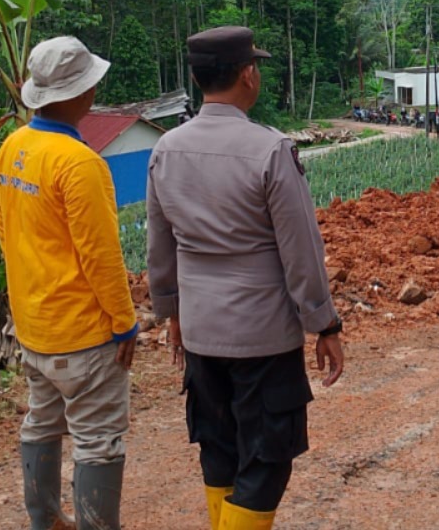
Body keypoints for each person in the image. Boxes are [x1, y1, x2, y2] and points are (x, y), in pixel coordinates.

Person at [146, 26, 345, 530]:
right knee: (267, 458)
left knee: (219, 448)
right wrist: (324, 324)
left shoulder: (165, 149)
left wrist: (172, 315)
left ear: (196, 77)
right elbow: (301, 252)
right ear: (248, 74)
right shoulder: (270, 150)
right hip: (261, 337)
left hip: (201, 331)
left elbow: (159, 247)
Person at [0, 37, 139, 530]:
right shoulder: (80, 164)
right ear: (83, 94)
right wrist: (124, 323)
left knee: (42, 421)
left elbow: (6, 232)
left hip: (35, 329)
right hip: (84, 335)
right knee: (97, 440)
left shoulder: (12, 147)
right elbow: (101, 256)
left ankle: (46, 520)